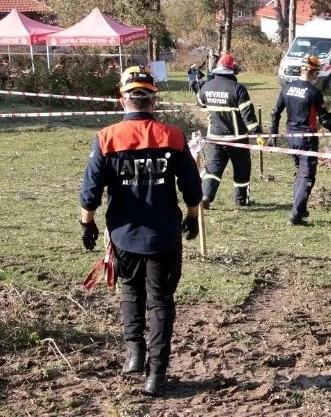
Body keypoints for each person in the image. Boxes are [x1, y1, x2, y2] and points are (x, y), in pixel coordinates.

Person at [79, 66, 202, 397]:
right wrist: (193, 216)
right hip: (164, 235)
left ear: (123, 100)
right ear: (153, 101)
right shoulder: (174, 137)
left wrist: (87, 223)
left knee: (130, 289)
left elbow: (90, 191)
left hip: (124, 235)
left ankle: (134, 351)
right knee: (161, 302)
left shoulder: (105, 138)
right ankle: (156, 374)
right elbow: (192, 187)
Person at [270, 54, 331, 226]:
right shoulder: (314, 92)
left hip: (291, 137)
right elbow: (325, 119)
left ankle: (300, 210)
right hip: (307, 139)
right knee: (307, 176)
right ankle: (296, 215)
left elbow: (275, 112)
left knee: (300, 174)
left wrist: (273, 135)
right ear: (313, 72)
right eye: (317, 73)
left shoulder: (287, 87)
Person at [198, 54, 261, 208]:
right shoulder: (238, 89)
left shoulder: (206, 87)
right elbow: (247, 114)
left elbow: (201, 103)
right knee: (242, 170)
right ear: (232, 70)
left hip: (214, 138)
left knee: (213, 169)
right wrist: (256, 132)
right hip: (237, 139)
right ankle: (241, 201)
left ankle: (206, 195)